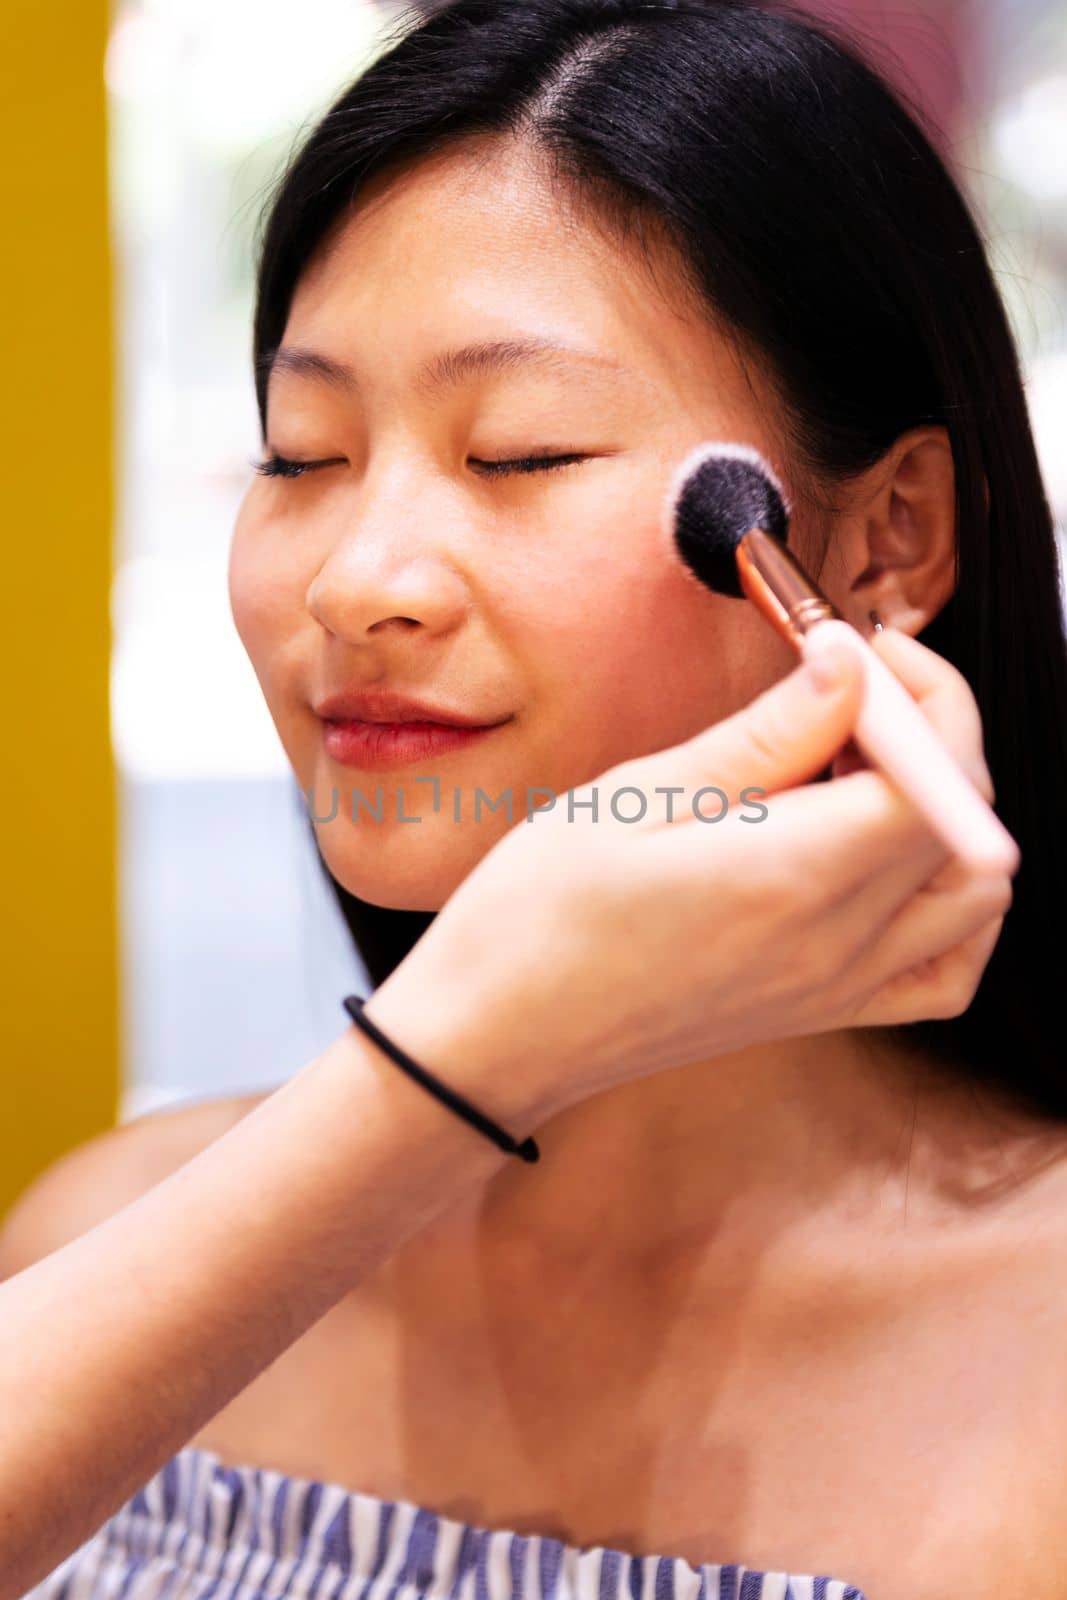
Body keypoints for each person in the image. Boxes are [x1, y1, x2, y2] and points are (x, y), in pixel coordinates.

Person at [2, 0, 1064, 1596]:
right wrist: (462, 1058)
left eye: (522, 453)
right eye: (301, 456)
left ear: (888, 537)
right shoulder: (110, 1243)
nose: (360, 581)